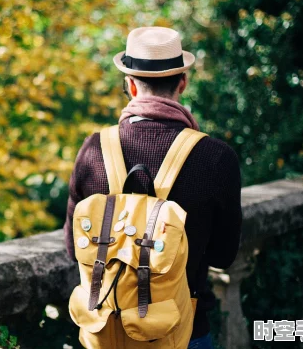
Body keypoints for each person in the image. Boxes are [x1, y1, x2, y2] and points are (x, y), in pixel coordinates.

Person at [63, 27, 242, 349]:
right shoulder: (216, 158)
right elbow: (223, 256)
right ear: (183, 82)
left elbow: (72, 249)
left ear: (130, 85)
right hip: (181, 332)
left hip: (107, 334)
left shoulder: (93, 150)